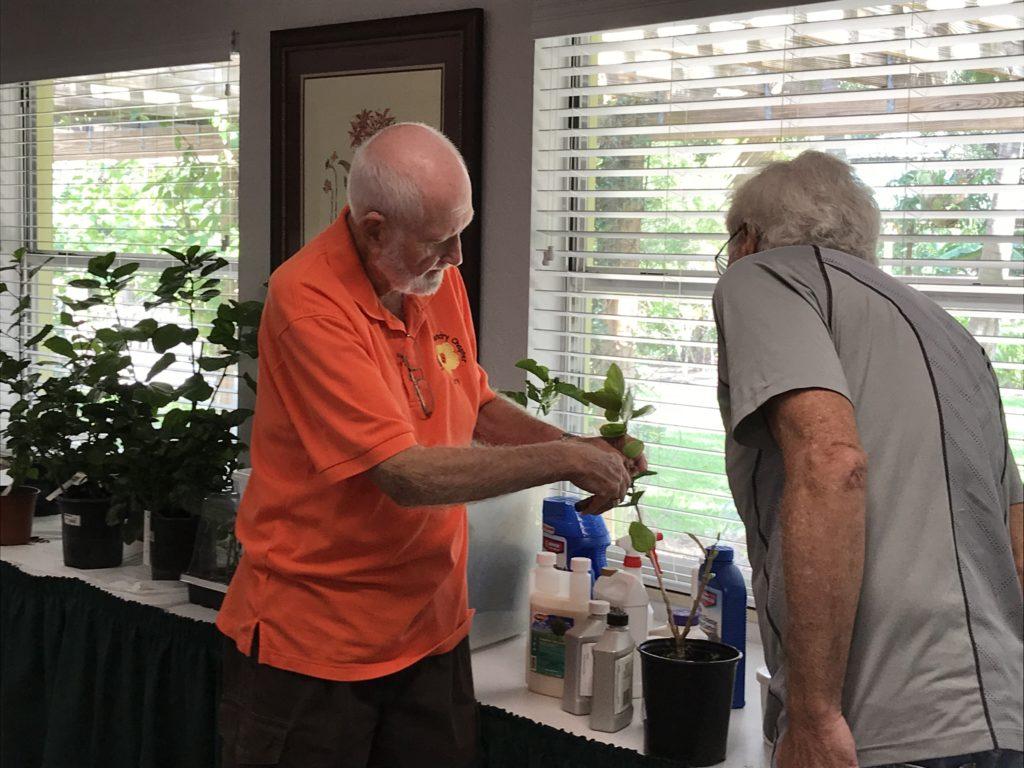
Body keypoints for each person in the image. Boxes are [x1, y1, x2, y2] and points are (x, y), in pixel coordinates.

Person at [215, 122, 642, 768]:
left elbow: (475, 405)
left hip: (431, 634)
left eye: (460, 233)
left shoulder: (431, 280)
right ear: (375, 228)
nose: (459, 257)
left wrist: (581, 449)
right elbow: (403, 474)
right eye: (441, 241)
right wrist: (563, 460)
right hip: (316, 647)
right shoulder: (308, 301)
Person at [712, 150, 1023, 768]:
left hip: (881, 728)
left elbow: (831, 462)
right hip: (998, 724)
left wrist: (814, 714)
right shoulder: (953, 335)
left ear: (748, 239)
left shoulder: (764, 276)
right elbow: (1015, 529)